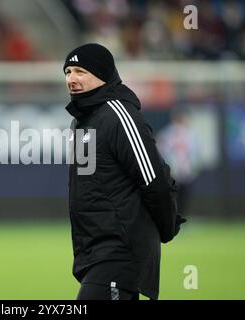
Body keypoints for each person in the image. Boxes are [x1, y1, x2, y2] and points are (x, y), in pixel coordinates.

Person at [63, 43, 186, 300]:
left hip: (120, 253)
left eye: (80, 71)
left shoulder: (119, 115)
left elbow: (155, 180)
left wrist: (166, 227)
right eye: (68, 72)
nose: (71, 79)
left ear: (103, 74)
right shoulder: (81, 121)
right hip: (94, 253)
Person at [156, 109, 202, 216]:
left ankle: (182, 215)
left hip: (186, 170)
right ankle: (175, 215)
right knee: (174, 195)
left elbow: (195, 152)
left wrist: (193, 166)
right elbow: (161, 149)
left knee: (185, 195)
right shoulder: (168, 133)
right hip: (174, 170)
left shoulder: (190, 134)